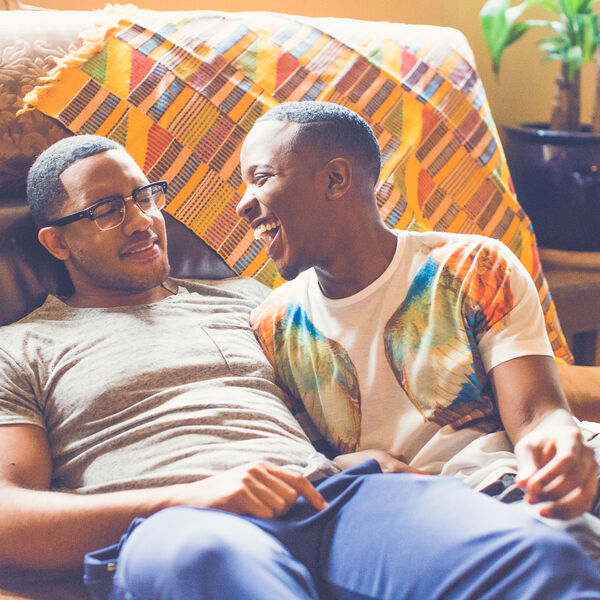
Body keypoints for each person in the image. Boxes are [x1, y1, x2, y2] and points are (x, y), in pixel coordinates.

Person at [1, 135, 599, 600]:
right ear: (56, 243)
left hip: (327, 498)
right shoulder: (23, 348)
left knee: (535, 554)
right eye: (107, 209)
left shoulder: (254, 304)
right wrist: (192, 496)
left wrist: (347, 459)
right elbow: (8, 512)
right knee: (207, 566)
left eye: (145, 196)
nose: (140, 221)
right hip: (184, 526)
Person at [237, 101, 600, 563]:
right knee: (566, 551)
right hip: (429, 518)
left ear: (335, 180)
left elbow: (535, 416)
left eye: (261, 178)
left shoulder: (474, 268)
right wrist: (355, 467)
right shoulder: (272, 329)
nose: (243, 203)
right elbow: (299, 462)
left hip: (529, 481)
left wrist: (561, 439)